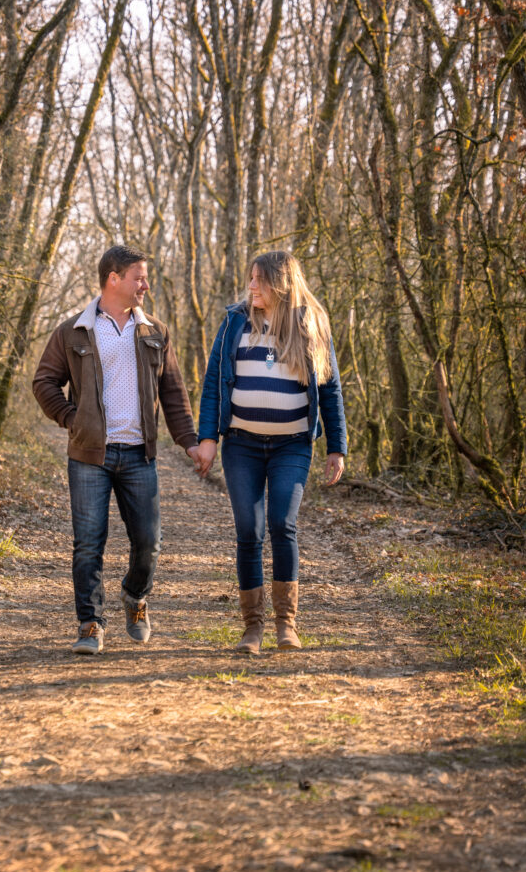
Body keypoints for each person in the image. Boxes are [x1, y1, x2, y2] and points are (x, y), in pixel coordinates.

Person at [32, 245, 200, 654]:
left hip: (139, 455)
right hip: (90, 456)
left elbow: (173, 393)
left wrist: (191, 442)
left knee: (150, 542)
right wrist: (74, 419)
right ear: (114, 278)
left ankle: (134, 596)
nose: (145, 285)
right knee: (88, 542)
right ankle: (90, 624)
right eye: (139, 277)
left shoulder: (155, 332)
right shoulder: (73, 330)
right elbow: (44, 383)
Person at [195, 251, 346, 655]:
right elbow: (214, 382)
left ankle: (286, 624)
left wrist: (337, 447)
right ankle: (252, 628)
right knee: (249, 529)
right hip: (241, 444)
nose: (251, 287)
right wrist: (207, 436)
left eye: (259, 280)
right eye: (250, 279)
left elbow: (330, 390)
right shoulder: (234, 323)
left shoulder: (311, 325)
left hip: (291, 446)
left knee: (282, 523)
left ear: (281, 284)